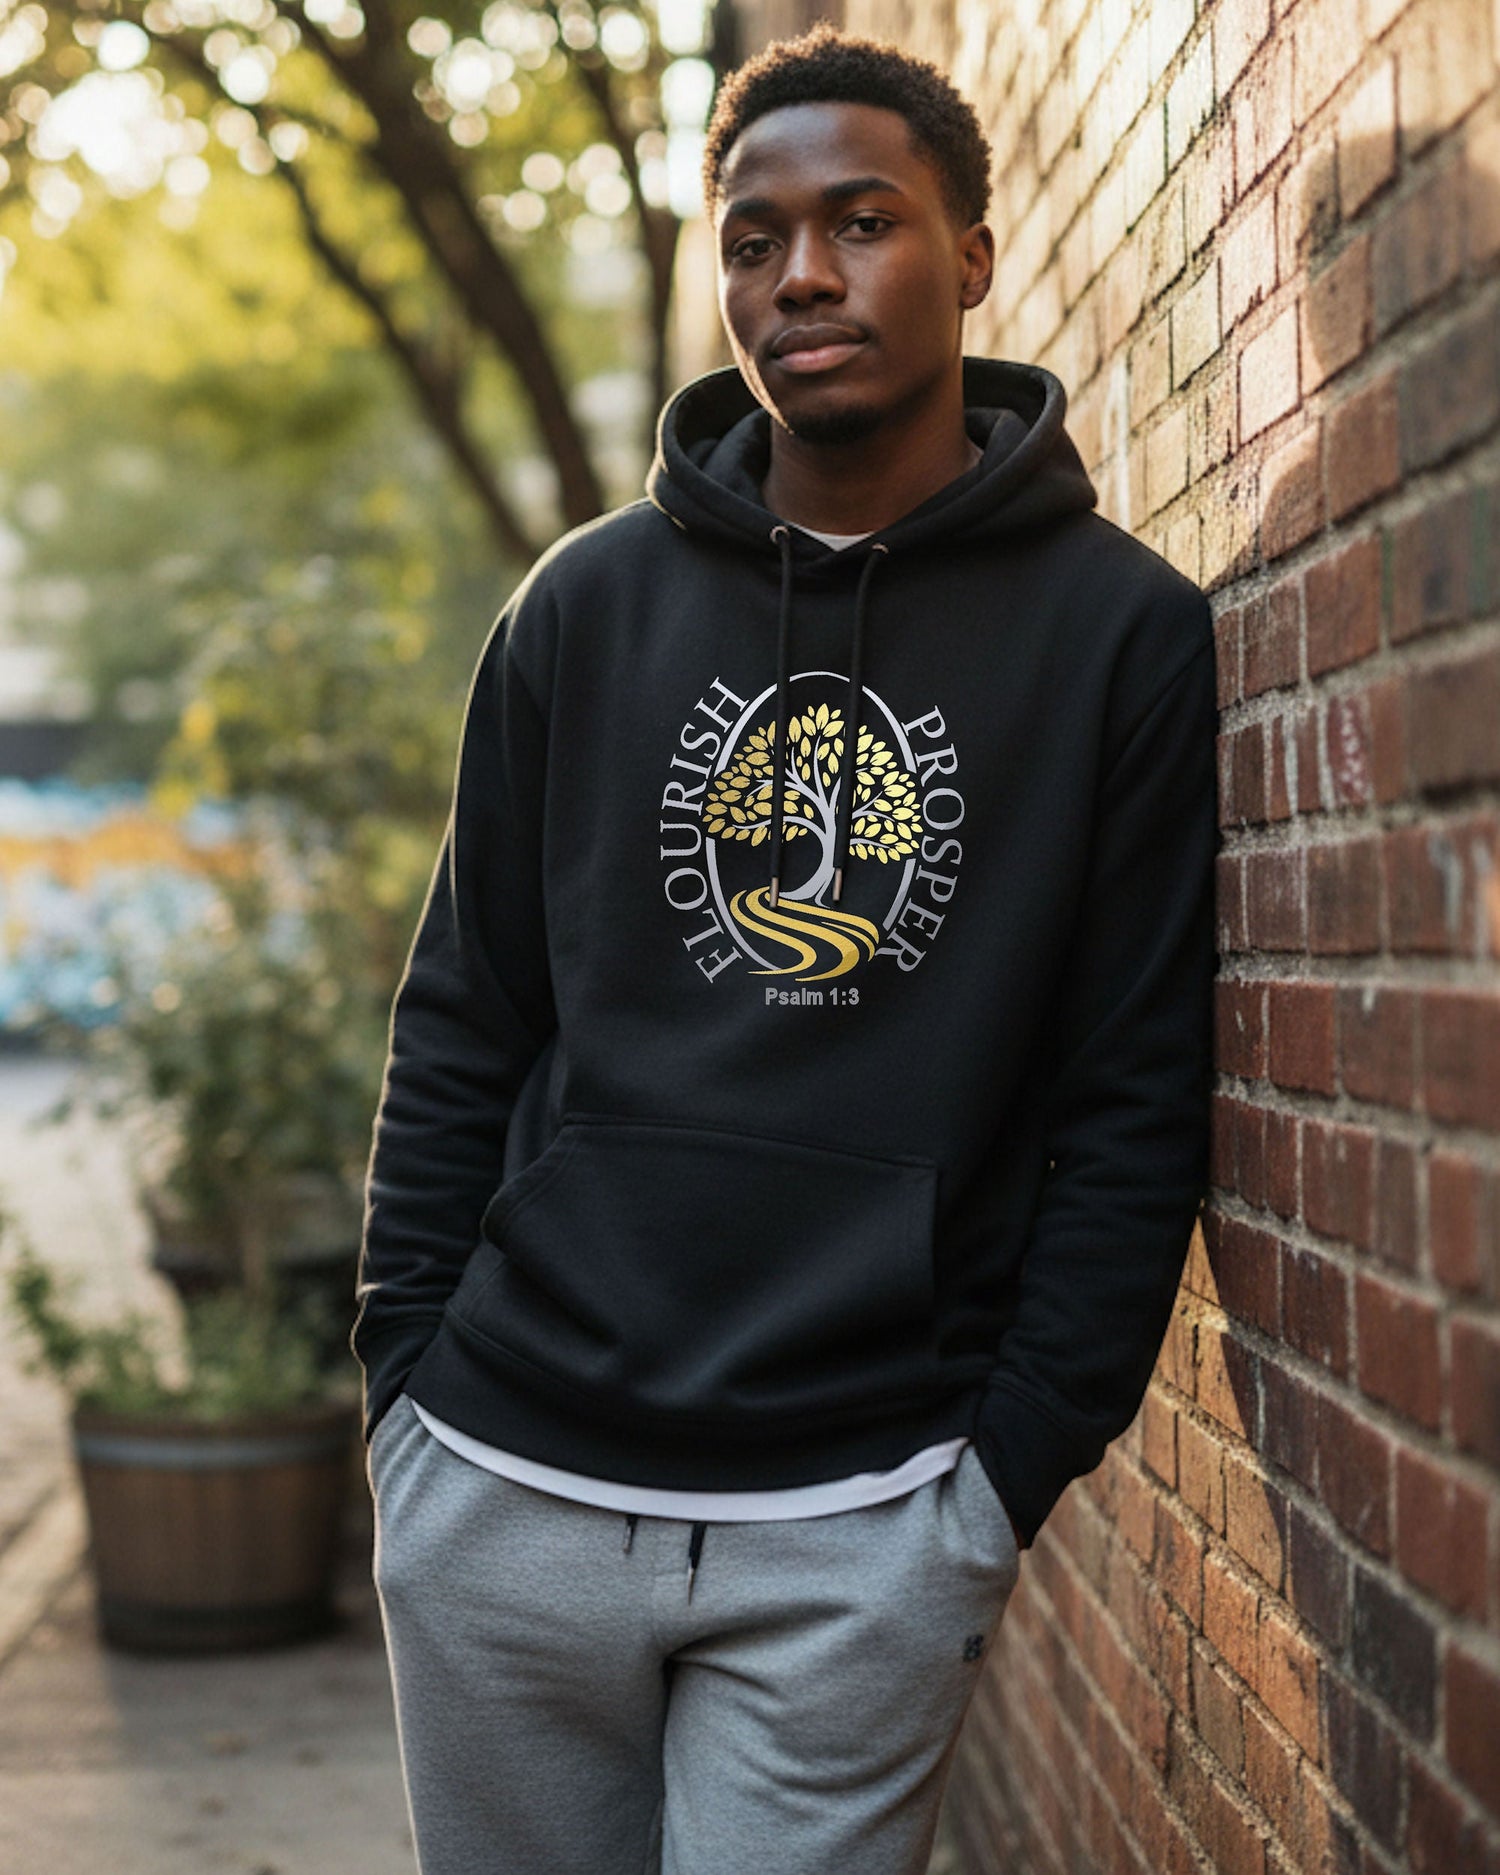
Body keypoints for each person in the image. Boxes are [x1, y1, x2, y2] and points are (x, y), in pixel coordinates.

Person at [352, 23, 1218, 1875]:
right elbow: (465, 1018)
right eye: (755, 239)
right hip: (506, 1486)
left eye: (862, 221)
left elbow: (1134, 1095)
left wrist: (993, 1481)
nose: (801, 275)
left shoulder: (1120, 637)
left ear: (970, 259)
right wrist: (403, 1397)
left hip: (866, 1522)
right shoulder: (586, 605)